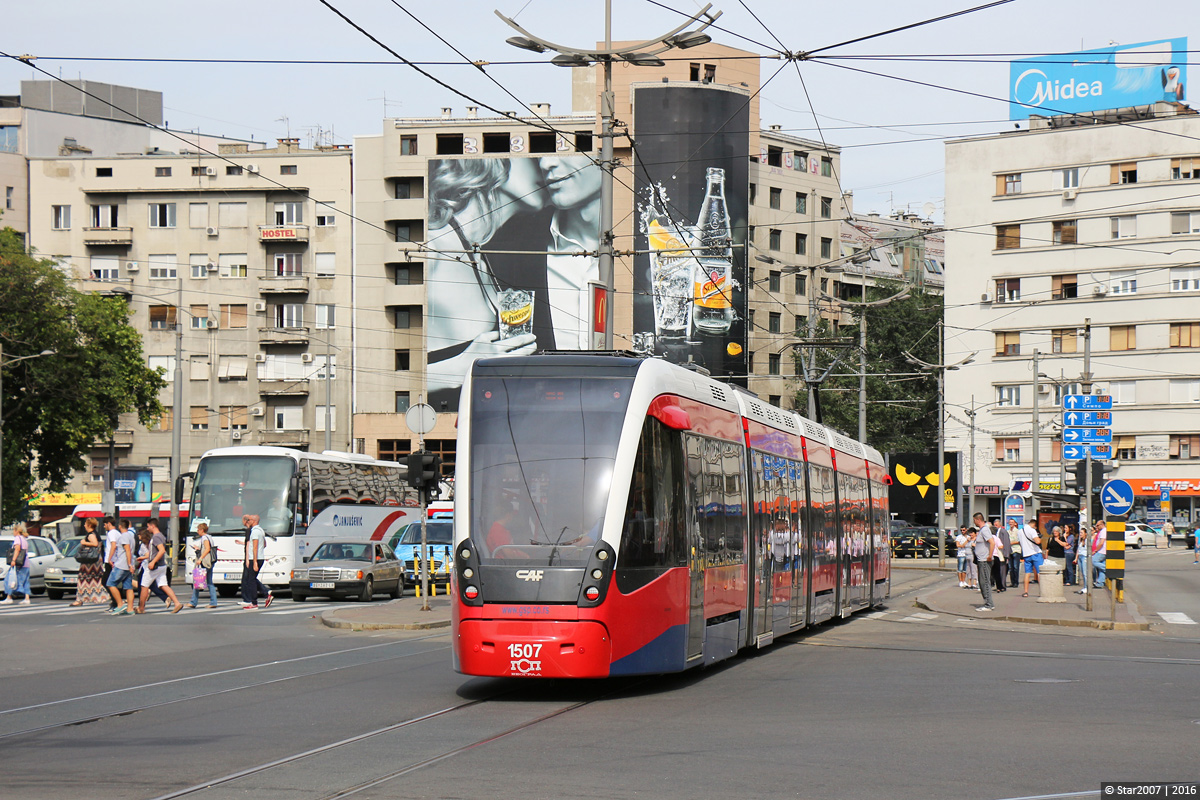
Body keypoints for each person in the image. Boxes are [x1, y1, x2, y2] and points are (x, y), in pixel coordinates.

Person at [425, 158, 545, 404]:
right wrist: (459, 369)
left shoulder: (477, 252)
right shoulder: (431, 247)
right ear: (492, 163)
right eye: (534, 157)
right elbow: (363, 371)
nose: (545, 165)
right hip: (433, 432)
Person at [138, 520, 183, 614]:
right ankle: (177, 603)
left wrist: (153, 562)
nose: (148, 529)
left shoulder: (156, 537)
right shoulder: (161, 536)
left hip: (155, 566)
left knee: (144, 586)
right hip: (161, 565)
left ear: (152, 526)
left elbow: (161, 550)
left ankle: (141, 608)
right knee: (163, 585)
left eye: (148, 526)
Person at [72, 518, 107, 606]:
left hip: (90, 562)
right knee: (96, 579)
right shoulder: (96, 534)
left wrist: (84, 542)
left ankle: (80, 599)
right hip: (96, 561)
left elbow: (95, 544)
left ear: (89, 525)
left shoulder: (91, 535)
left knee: (83, 579)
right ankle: (99, 597)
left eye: (85, 524)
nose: (84, 525)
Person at [240, 514, 273, 609]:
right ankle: (266, 593)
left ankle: (254, 602)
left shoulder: (254, 532)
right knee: (252, 579)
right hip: (260, 557)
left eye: (249, 520)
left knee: (251, 581)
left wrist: (254, 561)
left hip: (254, 558)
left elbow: (255, 547)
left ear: (253, 521)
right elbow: (264, 544)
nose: (247, 521)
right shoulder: (261, 530)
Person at [105, 520, 136, 615]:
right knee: (128, 587)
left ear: (120, 526)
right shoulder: (131, 537)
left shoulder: (124, 536)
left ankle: (120, 604)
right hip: (127, 565)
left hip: (122, 565)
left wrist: (129, 564)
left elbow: (127, 550)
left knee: (110, 583)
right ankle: (130, 609)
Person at [189, 522, 218, 609]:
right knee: (209, 582)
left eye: (198, 530)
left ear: (202, 530)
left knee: (198, 580)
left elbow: (207, 548)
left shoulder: (204, 537)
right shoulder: (209, 537)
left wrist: (200, 558)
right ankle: (213, 602)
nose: (197, 531)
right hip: (210, 562)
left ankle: (193, 602)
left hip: (205, 562)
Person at [2, 522, 32, 605]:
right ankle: (27, 598)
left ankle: (9, 597)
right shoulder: (24, 539)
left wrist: (13, 560)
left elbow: (17, 549)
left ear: (16, 531)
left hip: (19, 564)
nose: (13, 533)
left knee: (10, 580)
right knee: (26, 581)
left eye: (13, 531)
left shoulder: (18, 538)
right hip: (26, 563)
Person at [972, 523, 998, 611]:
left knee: (985, 582)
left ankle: (989, 604)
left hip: (984, 560)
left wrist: (990, 556)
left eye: (974, 520)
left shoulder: (985, 530)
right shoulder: (982, 530)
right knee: (982, 582)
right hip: (981, 560)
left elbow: (992, 542)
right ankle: (987, 603)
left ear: (977, 520)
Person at [1013, 519, 1043, 597]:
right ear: (1034, 525)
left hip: (1026, 554)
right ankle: (1042, 591)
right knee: (1040, 573)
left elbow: (1020, 542)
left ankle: (1026, 592)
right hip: (1035, 553)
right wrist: (1039, 537)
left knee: (1027, 573)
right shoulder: (1032, 530)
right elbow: (1037, 541)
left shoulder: (1020, 531)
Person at [992, 520, 1010, 593]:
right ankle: (999, 585)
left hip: (1002, 554)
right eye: (994, 525)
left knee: (1002, 571)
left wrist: (1006, 554)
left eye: (996, 524)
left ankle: (1002, 585)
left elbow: (1006, 543)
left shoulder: (1003, 531)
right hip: (997, 555)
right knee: (998, 571)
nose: (995, 526)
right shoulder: (996, 533)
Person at [1090, 520, 1107, 589]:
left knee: (1094, 561)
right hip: (1102, 551)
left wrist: (1096, 550)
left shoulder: (1103, 531)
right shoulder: (1102, 531)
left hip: (1102, 551)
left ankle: (1107, 569)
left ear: (1102, 524)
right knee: (1101, 568)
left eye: (1098, 525)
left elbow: (1101, 542)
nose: (1096, 527)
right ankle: (1100, 583)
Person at [1006, 518, 1022, 588]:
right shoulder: (1008, 531)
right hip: (1010, 551)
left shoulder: (1018, 531)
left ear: (1015, 523)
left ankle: (1016, 582)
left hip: (1016, 550)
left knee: (1015, 567)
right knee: (1011, 567)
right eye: (1010, 522)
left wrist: (1011, 543)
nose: (1011, 523)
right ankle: (1012, 582)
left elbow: (1019, 541)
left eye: (1012, 522)